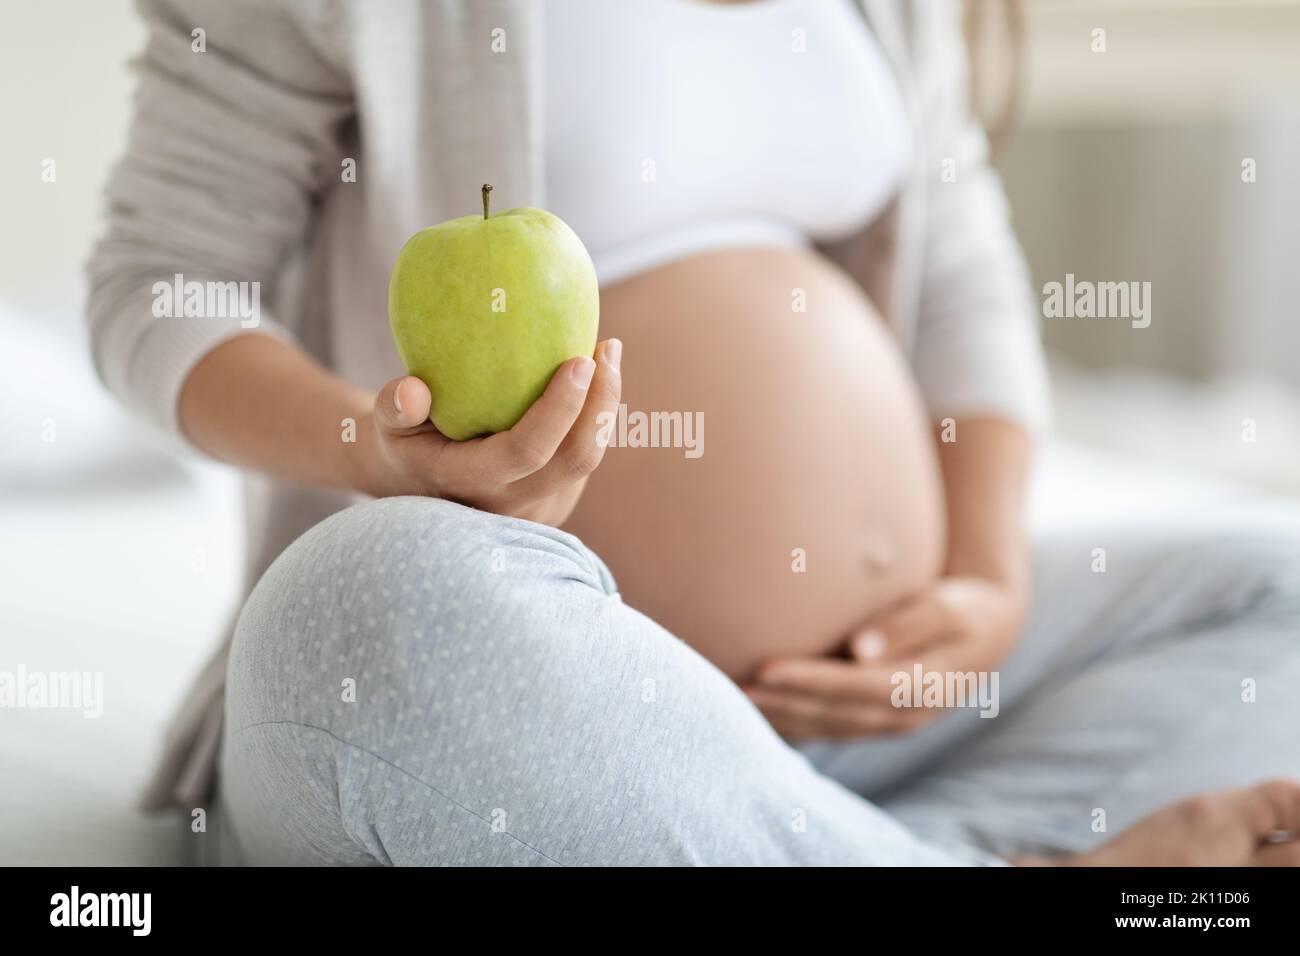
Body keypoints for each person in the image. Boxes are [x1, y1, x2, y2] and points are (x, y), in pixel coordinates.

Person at [88, 0, 1300, 865]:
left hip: (870, 733)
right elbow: (158, 284)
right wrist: (376, 448)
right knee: (371, 608)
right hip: (522, 732)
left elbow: (959, 276)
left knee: (1278, 583)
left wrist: (987, 580)